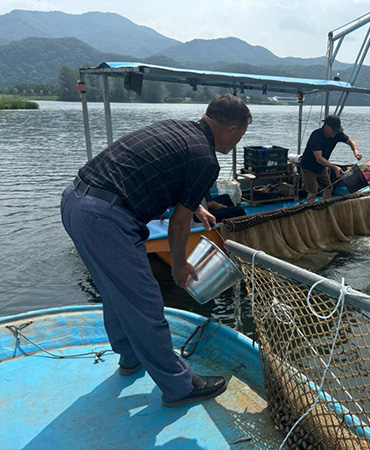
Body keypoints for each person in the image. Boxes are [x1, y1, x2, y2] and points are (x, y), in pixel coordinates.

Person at [60, 94, 252, 407]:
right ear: (231, 129)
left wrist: (197, 210)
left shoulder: (177, 129)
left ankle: (130, 357)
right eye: (240, 135)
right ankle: (179, 386)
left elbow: (153, 178)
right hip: (105, 218)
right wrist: (179, 265)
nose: (236, 143)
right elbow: (178, 225)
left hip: (75, 201)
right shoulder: (207, 159)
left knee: (114, 291)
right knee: (145, 301)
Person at [299, 114, 361, 204]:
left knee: (328, 188)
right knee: (313, 191)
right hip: (308, 167)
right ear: (326, 126)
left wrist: (355, 151)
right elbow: (318, 158)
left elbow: (350, 141)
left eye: (337, 130)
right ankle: (310, 211)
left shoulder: (337, 134)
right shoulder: (316, 135)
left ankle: (325, 206)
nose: (335, 132)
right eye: (334, 130)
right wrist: (334, 167)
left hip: (321, 167)